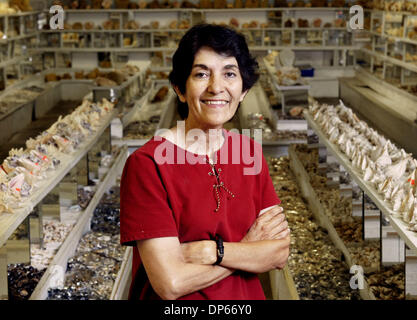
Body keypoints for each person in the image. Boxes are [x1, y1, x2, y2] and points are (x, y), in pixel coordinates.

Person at [120, 24, 290, 300]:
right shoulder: (148, 164)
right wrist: (248, 249)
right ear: (180, 89)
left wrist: (214, 251)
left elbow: (279, 252)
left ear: (243, 89)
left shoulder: (250, 153)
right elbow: (170, 283)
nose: (216, 87)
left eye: (230, 74)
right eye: (201, 74)